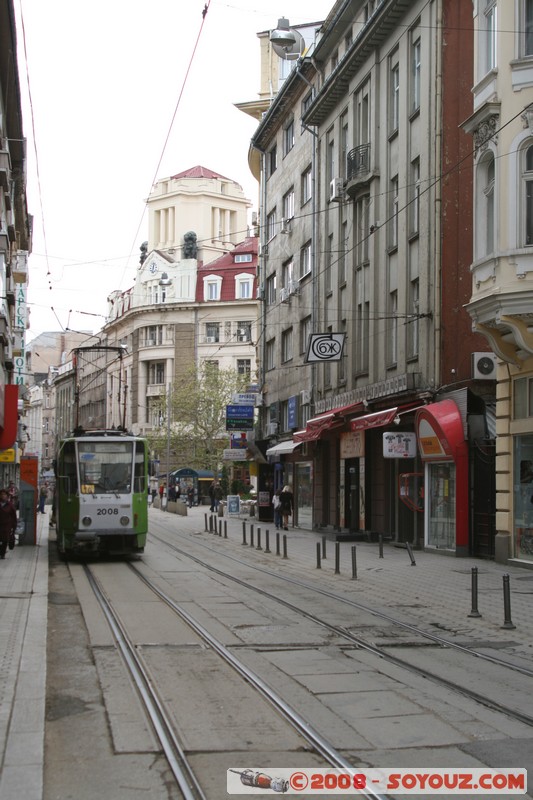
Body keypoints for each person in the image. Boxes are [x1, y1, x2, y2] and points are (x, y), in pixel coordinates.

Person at [0, 488, 17, 559]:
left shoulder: (10, 505)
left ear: (7, 496)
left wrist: (14, 526)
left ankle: (2, 553)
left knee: (5, 540)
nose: (3, 496)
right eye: (1, 495)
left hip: (7, 525)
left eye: (4, 494)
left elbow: (13, 516)